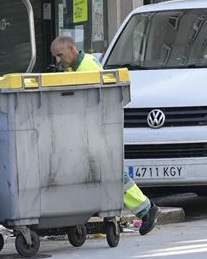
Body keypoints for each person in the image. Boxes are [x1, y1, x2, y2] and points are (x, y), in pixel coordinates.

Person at [50, 35, 160, 236]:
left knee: (113, 173)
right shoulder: (87, 62)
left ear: (72, 49)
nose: (58, 61)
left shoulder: (84, 71)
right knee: (108, 172)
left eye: (60, 55)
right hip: (99, 129)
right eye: (55, 57)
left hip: (97, 131)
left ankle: (145, 210)